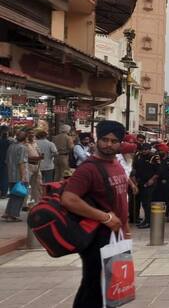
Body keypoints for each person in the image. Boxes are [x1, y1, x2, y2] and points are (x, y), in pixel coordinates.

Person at [59, 120, 130, 307]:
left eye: (114, 141)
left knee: (107, 285)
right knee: (94, 285)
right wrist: (105, 217)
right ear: (98, 140)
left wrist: (125, 228)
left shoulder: (116, 164)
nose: (108, 144)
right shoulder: (88, 168)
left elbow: (121, 200)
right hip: (96, 235)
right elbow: (69, 199)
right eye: (105, 139)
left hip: (115, 233)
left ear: (120, 143)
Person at [2, 130, 28, 222]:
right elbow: (21, 162)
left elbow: (6, 161)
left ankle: (8, 213)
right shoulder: (22, 147)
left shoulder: (11, 146)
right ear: (25, 138)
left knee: (13, 195)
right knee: (19, 196)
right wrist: (23, 177)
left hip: (10, 174)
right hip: (18, 175)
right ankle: (12, 215)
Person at [133, 143, 158, 228]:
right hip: (140, 182)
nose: (144, 151)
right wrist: (135, 181)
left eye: (146, 149)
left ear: (149, 149)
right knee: (143, 203)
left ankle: (149, 221)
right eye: (143, 149)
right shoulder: (138, 156)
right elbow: (135, 168)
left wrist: (152, 179)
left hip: (149, 182)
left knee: (147, 203)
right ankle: (145, 219)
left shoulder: (154, 157)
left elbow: (158, 171)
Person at [154, 144, 169, 221]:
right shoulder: (156, 159)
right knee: (158, 199)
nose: (160, 152)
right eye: (159, 151)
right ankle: (159, 215)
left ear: (166, 151)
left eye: (161, 151)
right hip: (158, 182)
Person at [24, 132, 43, 206]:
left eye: (33, 135)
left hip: (37, 166)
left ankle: (37, 201)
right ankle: (24, 204)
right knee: (26, 184)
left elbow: (39, 153)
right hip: (28, 165)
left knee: (38, 184)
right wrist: (36, 158)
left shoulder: (35, 143)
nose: (32, 136)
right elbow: (25, 157)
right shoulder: (25, 144)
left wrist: (40, 156)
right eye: (30, 135)